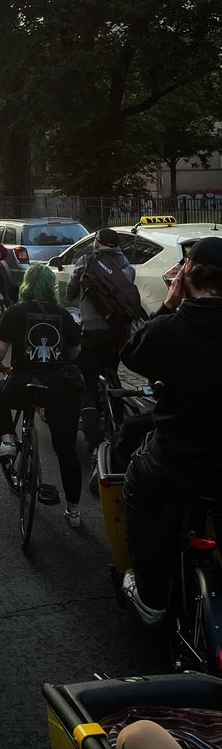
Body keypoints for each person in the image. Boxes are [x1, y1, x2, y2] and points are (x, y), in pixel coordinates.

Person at [120, 236, 222, 626]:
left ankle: (151, 596)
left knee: (138, 487)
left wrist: (168, 304)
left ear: (185, 276)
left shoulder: (169, 328)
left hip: (176, 461)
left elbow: (132, 355)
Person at [0, 262, 84, 528]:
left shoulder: (15, 311)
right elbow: (75, 351)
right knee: (66, 450)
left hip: (22, 381)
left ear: (26, 285)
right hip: (59, 386)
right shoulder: (62, 314)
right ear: (51, 288)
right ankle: (74, 511)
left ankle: (8, 441)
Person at [67, 228, 136, 454]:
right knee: (112, 372)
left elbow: (71, 292)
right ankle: (119, 423)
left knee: (86, 383)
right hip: (120, 333)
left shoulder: (86, 261)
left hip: (93, 332)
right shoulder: (126, 267)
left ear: (97, 242)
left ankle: (93, 439)